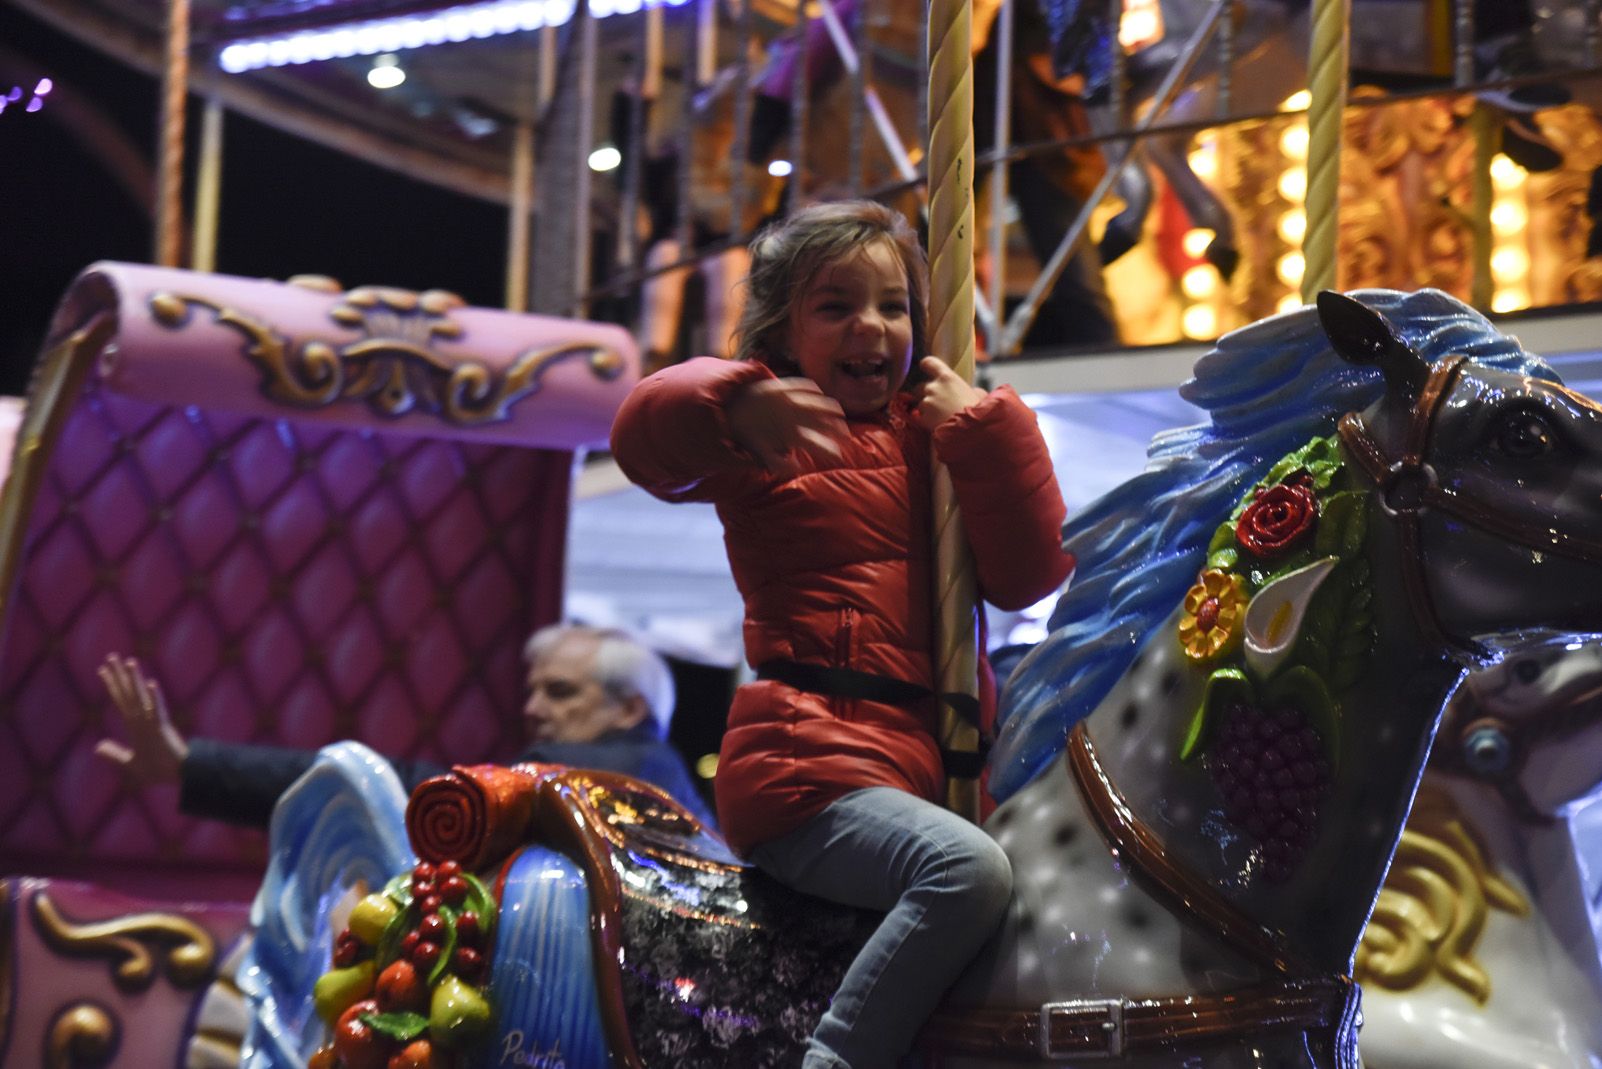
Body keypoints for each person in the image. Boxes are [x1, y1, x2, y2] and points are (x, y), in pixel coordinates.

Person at [609, 199, 1074, 1069]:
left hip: (933, 759)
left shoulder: (937, 437)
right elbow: (642, 434)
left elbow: (1030, 571)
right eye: (835, 306)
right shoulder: (772, 429)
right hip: (809, 760)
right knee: (965, 874)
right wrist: (737, 403)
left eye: (894, 305)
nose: (871, 326)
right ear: (785, 330)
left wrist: (987, 428)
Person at [93, 623, 717, 830]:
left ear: (630, 709)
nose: (532, 708)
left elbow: (392, 787)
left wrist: (189, 766)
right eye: (532, 691)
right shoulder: (660, 779)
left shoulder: (614, 773)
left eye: (559, 691)